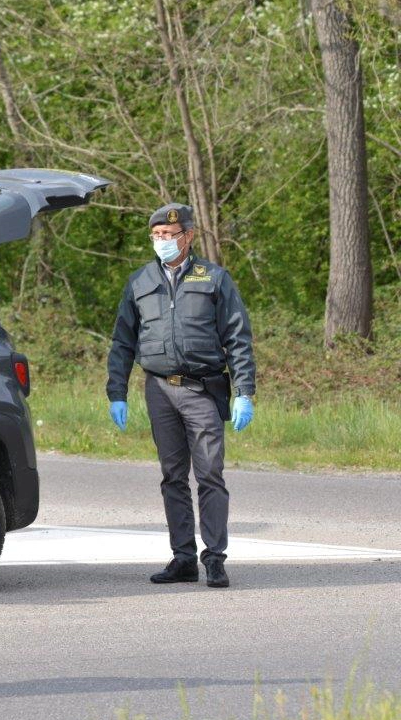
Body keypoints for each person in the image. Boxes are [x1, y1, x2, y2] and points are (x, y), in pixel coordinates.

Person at [106, 203, 255, 589]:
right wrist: (116, 392)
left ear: (187, 236)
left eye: (168, 236)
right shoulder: (140, 282)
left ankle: (215, 558)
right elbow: (122, 341)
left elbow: (238, 338)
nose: (161, 242)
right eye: (155, 236)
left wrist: (244, 391)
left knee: (209, 475)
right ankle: (183, 557)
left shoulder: (214, 278)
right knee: (172, 476)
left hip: (202, 390)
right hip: (159, 390)